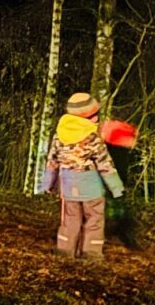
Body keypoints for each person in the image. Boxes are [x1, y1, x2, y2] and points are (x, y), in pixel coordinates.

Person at [38, 92, 124, 259]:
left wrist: (47, 183)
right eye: (95, 115)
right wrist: (116, 187)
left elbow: (52, 161)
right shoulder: (93, 138)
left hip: (68, 186)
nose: (98, 118)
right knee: (94, 219)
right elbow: (105, 163)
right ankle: (91, 253)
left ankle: (65, 250)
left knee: (69, 219)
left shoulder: (59, 136)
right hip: (91, 187)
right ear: (86, 117)